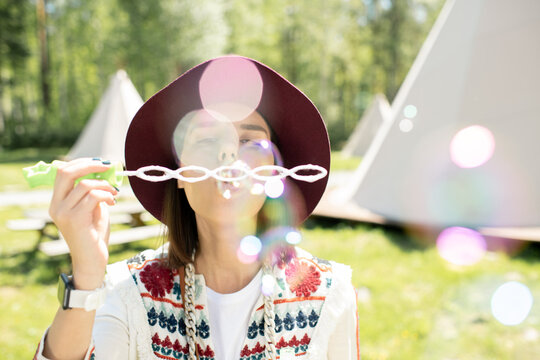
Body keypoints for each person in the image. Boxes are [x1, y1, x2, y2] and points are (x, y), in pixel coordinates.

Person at [35, 56, 360, 360]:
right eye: (208, 139)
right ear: (178, 174)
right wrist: (87, 275)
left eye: (249, 141)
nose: (229, 155)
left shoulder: (330, 293)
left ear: (275, 171)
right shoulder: (128, 291)